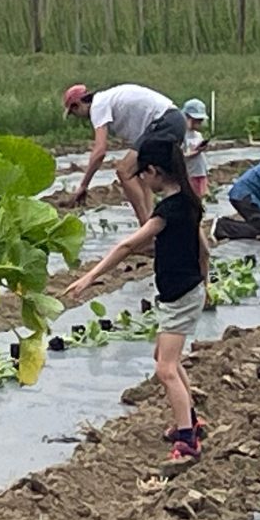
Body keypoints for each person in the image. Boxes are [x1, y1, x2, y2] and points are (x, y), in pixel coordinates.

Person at [65, 137, 210, 464]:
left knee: (165, 369)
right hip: (186, 291)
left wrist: (90, 276)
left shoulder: (167, 211)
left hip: (180, 295)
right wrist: (206, 281)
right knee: (165, 356)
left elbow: (127, 247)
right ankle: (192, 419)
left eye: (143, 175)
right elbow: (205, 249)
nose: (142, 181)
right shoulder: (191, 202)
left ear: (155, 171)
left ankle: (187, 440)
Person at [62, 81, 186, 224]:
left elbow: (100, 151)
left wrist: (84, 185)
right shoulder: (107, 99)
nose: (78, 117)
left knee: (124, 170)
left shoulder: (98, 105)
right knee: (142, 173)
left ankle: (145, 228)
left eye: (74, 112)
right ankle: (150, 223)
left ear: (77, 104)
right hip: (174, 120)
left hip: (164, 122)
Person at [181, 98, 211, 198]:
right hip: (190, 173)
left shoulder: (198, 135)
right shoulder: (182, 135)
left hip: (200, 171)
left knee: (201, 197)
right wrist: (195, 152)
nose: (198, 123)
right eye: (196, 121)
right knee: (191, 198)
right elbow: (180, 156)